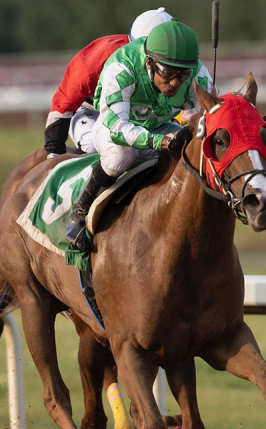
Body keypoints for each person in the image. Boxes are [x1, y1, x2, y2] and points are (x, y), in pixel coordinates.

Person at [66, 20, 212, 251]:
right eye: (167, 73)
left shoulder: (199, 75)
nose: (174, 83)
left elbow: (207, 117)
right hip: (114, 126)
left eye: (182, 75)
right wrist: (160, 141)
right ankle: (80, 211)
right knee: (121, 157)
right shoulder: (122, 68)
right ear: (149, 62)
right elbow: (116, 126)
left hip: (159, 124)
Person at [44, 7, 174, 158]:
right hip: (91, 110)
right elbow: (63, 105)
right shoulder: (92, 63)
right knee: (98, 147)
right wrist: (54, 151)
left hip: (132, 112)